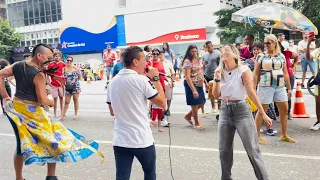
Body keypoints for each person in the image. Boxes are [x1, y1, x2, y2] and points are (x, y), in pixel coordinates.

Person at [0, 43, 103, 180]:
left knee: (20, 145)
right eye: (48, 57)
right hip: (33, 112)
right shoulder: (38, 74)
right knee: (54, 139)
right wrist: (51, 102)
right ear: (39, 56)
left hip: (17, 110)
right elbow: (42, 100)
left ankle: (19, 177)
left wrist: (5, 96)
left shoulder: (18, 65)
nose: (51, 60)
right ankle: (51, 176)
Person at [107, 46, 166, 180]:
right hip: (141, 139)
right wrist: (156, 78)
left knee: (122, 176)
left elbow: (112, 111)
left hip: (121, 139)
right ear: (135, 61)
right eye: (144, 59)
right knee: (149, 173)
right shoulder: (142, 80)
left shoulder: (113, 82)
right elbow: (162, 103)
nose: (147, 63)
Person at [212, 44, 270, 180]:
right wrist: (216, 78)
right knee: (224, 151)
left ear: (234, 54)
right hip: (225, 111)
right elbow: (215, 95)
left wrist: (263, 113)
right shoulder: (219, 70)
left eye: (227, 50)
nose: (224, 52)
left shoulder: (242, 70)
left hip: (241, 110)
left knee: (252, 149)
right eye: (222, 50)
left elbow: (251, 92)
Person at [253, 34, 296, 144]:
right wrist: (253, 88)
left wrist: (289, 89)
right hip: (265, 86)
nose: (266, 45)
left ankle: (284, 135)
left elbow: (286, 73)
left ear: (275, 43)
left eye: (269, 42)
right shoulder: (261, 56)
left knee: (284, 110)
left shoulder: (281, 56)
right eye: (265, 43)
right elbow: (256, 74)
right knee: (262, 111)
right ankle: (256, 136)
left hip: (280, 86)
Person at [183, 45, 206, 130]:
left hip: (199, 83)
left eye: (195, 51)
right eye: (192, 51)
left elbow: (201, 71)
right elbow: (187, 76)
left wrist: (205, 82)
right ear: (189, 51)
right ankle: (196, 123)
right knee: (195, 104)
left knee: (202, 102)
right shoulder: (187, 62)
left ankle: (188, 115)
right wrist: (193, 90)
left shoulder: (199, 59)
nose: (194, 53)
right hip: (191, 84)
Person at [147, 48, 170, 127]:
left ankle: (160, 119)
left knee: (162, 102)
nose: (155, 55)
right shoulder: (150, 63)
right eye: (154, 54)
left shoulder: (160, 63)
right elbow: (149, 73)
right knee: (155, 102)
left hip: (162, 84)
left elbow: (163, 73)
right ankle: (155, 119)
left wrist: (168, 80)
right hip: (154, 84)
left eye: (157, 54)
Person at [305, 33, 320, 130]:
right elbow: (308, 57)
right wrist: (308, 44)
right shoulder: (317, 51)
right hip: (319, 79)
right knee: (318, 102)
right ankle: (318, 121)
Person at [203, 41, 220, 114]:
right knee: (210, 93)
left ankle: (219, 108)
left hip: (215, 75)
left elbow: (220, 65)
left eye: (209, 47)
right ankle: (213, 108)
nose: (208, 48)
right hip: (207, 75)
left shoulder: (218, 54)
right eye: (207, 47)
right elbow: (203, 65)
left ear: (212, 46)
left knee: (218, 92)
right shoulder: (205, 55)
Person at [47, 51, 66, 117]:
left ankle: (62, 113)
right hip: (53, 84)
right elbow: (46, 73)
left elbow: (65, 73)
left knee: (61, 98)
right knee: (55, 99)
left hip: (61, 84)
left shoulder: (63, 64)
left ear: (60, 57)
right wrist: (48, 81)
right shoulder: (51, 64)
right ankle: (55, 114)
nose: (57, 57)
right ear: (54, 57)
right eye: (56, 56)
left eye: (58, 56)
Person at [160, 50, 175, 116]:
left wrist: (173, 81)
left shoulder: (168, 62)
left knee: (169, 97)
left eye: (162, 54)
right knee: (161, 96)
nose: (161, 56)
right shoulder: (156, 62)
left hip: (168, 80)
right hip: (159, 80)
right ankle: (163, 109)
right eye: (160, 54)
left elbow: (173, 73)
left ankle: (168, 109)